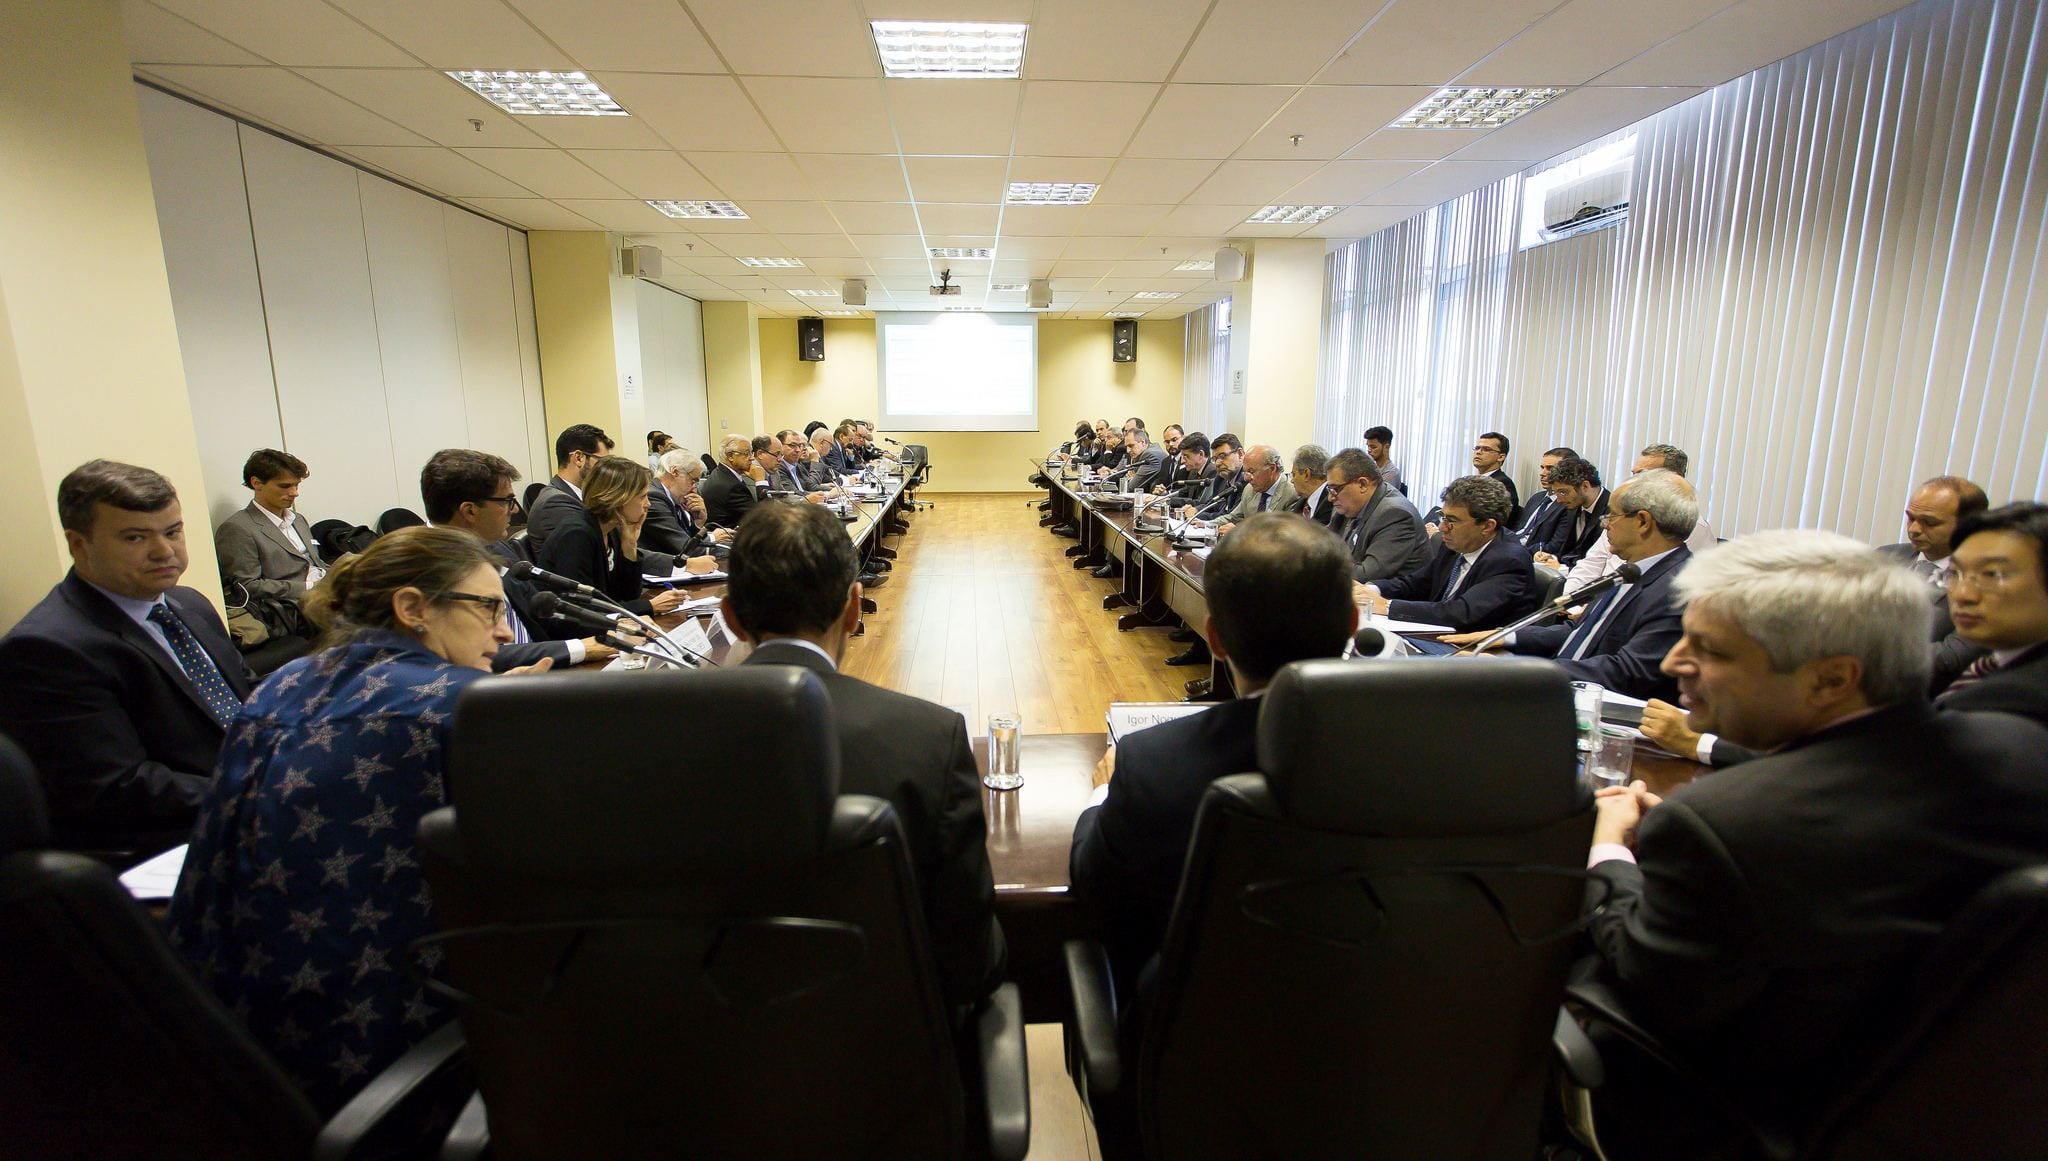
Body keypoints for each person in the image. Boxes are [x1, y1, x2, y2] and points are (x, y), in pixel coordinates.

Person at [1578, 530, 2048, 1158]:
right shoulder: (2021, 748)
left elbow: (1647, 982)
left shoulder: (1725, 824)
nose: (1672, 663)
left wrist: (1611, 850)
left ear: (1831, 680)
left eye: (1708, 649)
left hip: (1736, 1112)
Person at [166, 526, 541, 1118]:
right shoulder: (462, 708)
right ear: (413, 608)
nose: (502, 629)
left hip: (242, 1047)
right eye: (490, 607)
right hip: (403, 1056)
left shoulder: (282, 684)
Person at [723, 502, 1005, 1012]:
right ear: (854, 608)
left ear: (730, 617)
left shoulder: (651, 744)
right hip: (889, 1061)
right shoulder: (930, 737)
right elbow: (968, 959)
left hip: (709, 1062)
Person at [1070, 513, 1356, 994]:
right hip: (1387, 1040)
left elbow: (1093, 888)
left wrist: (1103, 794)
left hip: (1196, 1046)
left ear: (1215, 638)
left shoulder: (1152, 764)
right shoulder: (1429, 759)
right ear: (1352, 623)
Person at [0, 460, 254, 862]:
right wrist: (258, 789)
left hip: (246, 800)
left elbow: (248, 697)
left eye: (173, 532)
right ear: (79, 544)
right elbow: (117, 787)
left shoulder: (189, 604)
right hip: (167, 839)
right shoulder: (47, 648)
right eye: (135, 538)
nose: (164, 551)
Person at [1439, 470, 1696, 701]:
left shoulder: (1678, 590)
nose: (1604, 525)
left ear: (1642, 521)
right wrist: (1505, 637)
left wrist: (1518, 670)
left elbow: (1627, 672)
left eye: (1612, 516)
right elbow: (1581, 629)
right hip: (1560, 690)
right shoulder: (1632, 569)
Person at [419, 448, 619, 671]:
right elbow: (473, 653)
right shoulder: (427, 570)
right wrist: (579, 649)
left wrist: (614, 624)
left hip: (544, 671)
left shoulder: (495, 546)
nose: (514, 510)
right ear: (470, 511)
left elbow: (543, 613)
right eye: (507, 500)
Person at [1361, 475, 1537, 632]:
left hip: (1478, 654)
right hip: (1438, 636)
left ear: (1487, 526)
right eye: (1443, 517)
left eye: (1452, 521)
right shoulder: (1455, 545)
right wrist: (1368, 590)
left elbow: (1461, 613)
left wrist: (1387, 606)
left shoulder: (1509, 561)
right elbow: (1416, 583)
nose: (1442, 528)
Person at [534, 456, 691, 618]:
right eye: (642, 497)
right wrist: (649, 606)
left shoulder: (612, 530)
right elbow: (582, 610)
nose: (648, 504)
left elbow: (627, 595)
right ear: (618, 498)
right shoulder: (577, 535)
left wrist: (630, 547)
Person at [1937, 502, 2048, 724]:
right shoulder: (1997, 662)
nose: (1963, 594)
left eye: (1991, 574)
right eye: (1954, 573)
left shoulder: (2014, 705)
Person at [1879, 475, 1992, 689]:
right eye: (1910, 518)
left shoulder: (1987, 585)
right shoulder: (1884, 557)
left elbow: (1950, 658)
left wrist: (1864, 650)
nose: (1914, 529)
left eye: (1929, 522)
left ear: (1970, 525)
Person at [1561, 444, 1719, 587]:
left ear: (1673, 479)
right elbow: (1591, 563)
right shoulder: (1624, 512)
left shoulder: (1691, 526)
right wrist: (1572, 603)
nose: (1633, 481)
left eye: (1642, 475)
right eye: (1633, 474)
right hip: (1596, 602)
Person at [214, 448, 326, 643]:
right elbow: (248, 586)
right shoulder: (238, 528)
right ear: (256, 483)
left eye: (296, 485)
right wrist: (311, 587)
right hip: (293, 605)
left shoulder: (298, 519)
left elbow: (314, 563)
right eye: (285, 486)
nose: (294, 493)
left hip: (324, 587)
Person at [1325, 448, 1430, 586]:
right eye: (1329, 489)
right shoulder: (1348, 505)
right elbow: (1323, 542)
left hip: (1385, 600)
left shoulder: (1395, 514)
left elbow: (1364, 575)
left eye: (1335, 489)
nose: (1330, 497)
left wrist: (1317, 566)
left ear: (1363, 484)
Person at [524, 423, 613, 556]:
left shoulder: (580, 496)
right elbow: (594, 551)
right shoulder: (554, 503)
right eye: (602, 462)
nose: (606, 470)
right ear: (578, 458)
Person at [643, 448, 728, 560]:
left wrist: (698, 523)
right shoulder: (654, 498)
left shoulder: (673, 497)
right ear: (675, 472)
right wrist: (738, 550)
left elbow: (688, 540)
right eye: (693, 481)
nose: (694, 489)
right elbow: (685, 549)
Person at [1531, 454, 1608, 570]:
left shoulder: (1612, 511)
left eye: (1563, 492)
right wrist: (1551, 558)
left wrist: (1563, 569)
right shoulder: (1573, 505)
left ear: (1585, 486)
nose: (1559, 500)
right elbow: (1569, 551)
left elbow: (1601, 564)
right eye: (1556, 493)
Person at [1213, 444, 1295, 535]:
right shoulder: (1249, 489)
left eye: (1251, 472)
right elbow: (1234, 517)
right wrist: (1206, 524)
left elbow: (1283, 534)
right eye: (1245, 472)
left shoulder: (1291, 494)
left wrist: (1242, 532)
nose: (1246, 478)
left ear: (1272, 469)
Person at [1513, 446, 1576, 546]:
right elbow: (1520, 529)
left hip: (1530, 554)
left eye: (1550, 468)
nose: (1542, 473)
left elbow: (1555, 545)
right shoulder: (1536, 498)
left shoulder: (1568, 504)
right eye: (1542, 467)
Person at [700, 433, 765, 528]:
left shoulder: (721, 473)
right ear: (730, 456)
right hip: (730, 538)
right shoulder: (731, 486)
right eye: (747, 453)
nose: (751, 458)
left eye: (751, 453)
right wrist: (760, 481)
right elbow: (764, 518)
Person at [756, 434, 826, 503]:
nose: (780, 459)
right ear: (760, 454)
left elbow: (784, 496)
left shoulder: (775, 472)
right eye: (777, 454)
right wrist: (805, 501)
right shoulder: (753, 473)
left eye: (799, 446)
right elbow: (770, 504)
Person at [1471, 431, 1521, 524]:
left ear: (1501, 457)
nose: (1478, 452)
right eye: (1477, 448)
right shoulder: (1473, 480)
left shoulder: (1502, 483)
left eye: (1486, 449)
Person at [1282, 444, 1334, 525]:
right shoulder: (1301, 503)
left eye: (1294, 474)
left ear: (1307, 474)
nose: (1292, 480)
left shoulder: (1332, 501)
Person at [1362, 425, 1405, 496]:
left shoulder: (1392, 473)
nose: (1369, 450)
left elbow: (1374, 498)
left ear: (1386, 447)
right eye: (1368, 446)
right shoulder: (1372, 468)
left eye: (1373, 447)